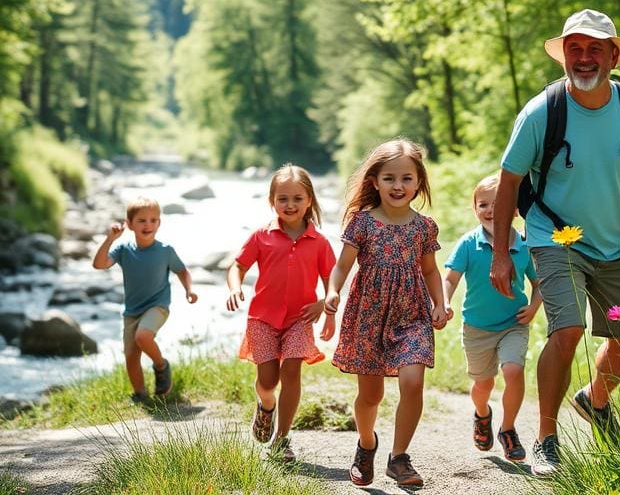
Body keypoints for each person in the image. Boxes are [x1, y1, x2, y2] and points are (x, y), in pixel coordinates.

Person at [490, 8, 620, 476]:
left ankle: (594, 400)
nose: (584, 57)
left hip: (616, 244)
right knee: (568, 327)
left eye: (595, 48)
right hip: (554, 237)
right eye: (574, 48)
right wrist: (500, 253)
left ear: (614, 56)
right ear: (563, 57)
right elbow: (508, 182)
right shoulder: (542, 112)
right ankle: (546, 439)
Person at [324, 138, 449, 489]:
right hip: (368, 317)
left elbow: (429, 271)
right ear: (375, 181)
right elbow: (342, 266)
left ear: (418, 182)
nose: (398, 186)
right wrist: (333, 291)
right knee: (370, 397)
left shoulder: (424, 227)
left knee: (413, 380)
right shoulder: (362, 224)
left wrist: (440, 303)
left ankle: (399, 457)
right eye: (390, 178)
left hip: (412, 315)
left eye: (407, 178)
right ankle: (367, 444)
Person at [225, 164, 337, 464]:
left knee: (291, 372)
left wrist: (326, 308)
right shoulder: (262, 236)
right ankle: (265, 405)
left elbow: (333, 281)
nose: (290, 205)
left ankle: (282, 439)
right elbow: (237, 266)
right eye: (283, 199)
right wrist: (235, 288)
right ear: (272, 201)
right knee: (267, 381)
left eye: (297, 198)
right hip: (262, 318)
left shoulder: (320, 242)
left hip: (300, 319)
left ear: (309, 200)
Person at [443, 173, 541, 463]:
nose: (489, 210)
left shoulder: (524, 245)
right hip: (477, 327)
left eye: (498, 204)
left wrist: (534, 307)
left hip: (514, 323)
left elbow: (540, 283)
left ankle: (508, 429)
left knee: (513, 371)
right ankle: (482, 414)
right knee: (483, 385)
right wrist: (444, 302)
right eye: (483, 204)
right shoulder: (468, 244)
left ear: (514, 209)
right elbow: (450, 279)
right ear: (475, 209)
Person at [92, 196, 198, 403]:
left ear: (159, 223)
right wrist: (110, 239)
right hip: (131, 311)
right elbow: (99, 264)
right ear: (129, 224)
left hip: (158, 306)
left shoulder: (165, 250)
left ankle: (161, 366)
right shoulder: (123, 250)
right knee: (131, 357)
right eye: (141, 220)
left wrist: (189, 290)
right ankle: (140, 394)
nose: (148, 225)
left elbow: (182, 271)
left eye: (153, 220)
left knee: (143, 336)